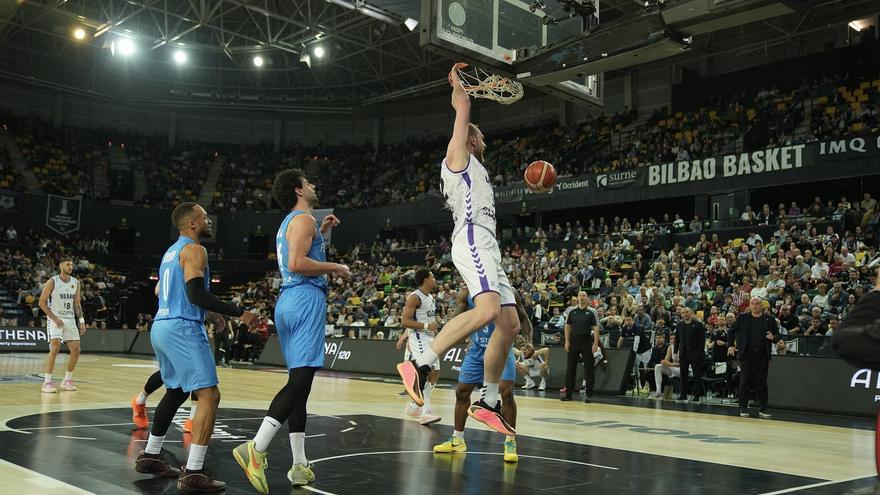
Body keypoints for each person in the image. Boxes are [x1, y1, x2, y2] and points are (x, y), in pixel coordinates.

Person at [397, 63, 520, 436]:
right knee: (486, 310)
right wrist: (461, 88)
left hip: (488, 246)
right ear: (469, 139)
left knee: (509, 324)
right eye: (479, 138)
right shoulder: (457, 159)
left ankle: (489, 399)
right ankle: (419, 365)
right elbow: (462, 110)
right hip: (471, 237)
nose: (484, 143)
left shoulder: (478, 169)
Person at [233, 169, 350, 492]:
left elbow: (299, 252)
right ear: (299, 190)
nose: (314, 184)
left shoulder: (295, 222)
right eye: (308, 182)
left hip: (289, 299)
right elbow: (298, 262)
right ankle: (255, 449)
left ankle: (299, 465)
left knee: (300, 386)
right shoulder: (303, 221)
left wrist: (322, 231)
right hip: (305, 298)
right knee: (299, 382)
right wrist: (336, 267)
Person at [136, 202, 258, 492]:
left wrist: (211, 313)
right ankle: (194, 472)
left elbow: (180, 293)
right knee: (209, 395)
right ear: (192, 223)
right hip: (182, 328)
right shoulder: (195, 249)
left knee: (176, 390)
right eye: (205, 217)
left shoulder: (170, 252)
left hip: (162, 325)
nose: (209, 221)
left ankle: (151, 455)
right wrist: (239, 312)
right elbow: (195, 292)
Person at [433, 288, 532, 463]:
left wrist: (529, 341)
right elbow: (455, 320)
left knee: (507, 392)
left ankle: (510, 442)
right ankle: (457, 439)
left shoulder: (507, 291)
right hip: (476, 350)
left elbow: (523, 318)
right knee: (462, 392)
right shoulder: (466, 293)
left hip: (501, 349)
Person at [396, 269, 442, 425]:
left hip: (430, 338)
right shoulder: (415, 297)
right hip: (419, 337)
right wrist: (428, 325)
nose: (435, 279)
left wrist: (434, 325)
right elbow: (405, 321)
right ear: (425, 280)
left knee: (436, 373)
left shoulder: (431, 297)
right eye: (433, 277)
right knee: (425, 371)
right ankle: (426, 411)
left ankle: (415, 405)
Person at [39, 257, 85, 393]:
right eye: (68, 264)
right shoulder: (52, 281)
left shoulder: (76, 282)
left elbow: (77, 304)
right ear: (60, 266)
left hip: (70, 319)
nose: (71, 266)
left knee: (76, 350)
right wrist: (54, 318)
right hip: (55, 318)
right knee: (55, 348)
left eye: (72, 264)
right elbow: (42, 303)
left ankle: (67, 380)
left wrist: (81, 320)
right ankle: (47, 382)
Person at [728, 296, 779, 418]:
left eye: (757, 303)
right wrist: (730, 345)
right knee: (745, 381)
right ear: (749, 305)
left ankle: (763, 408)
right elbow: (731, 331)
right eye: (753, 303)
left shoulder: (769, 319)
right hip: (746, 355)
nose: (755, 305)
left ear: (761, 305)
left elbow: (777, 334)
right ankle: (743, 407)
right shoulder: (743, 317)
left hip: (762, 355)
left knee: (762, 382)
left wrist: (774, 338)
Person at [561, 291, 600, 402]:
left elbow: (596, 328)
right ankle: (568, 394)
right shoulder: (572, 311)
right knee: (570, 368)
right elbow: (567, 327)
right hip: (574, 341)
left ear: (587, 298)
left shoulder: (592, 312)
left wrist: (595, 343)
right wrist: (567, 342)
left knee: (589, 368)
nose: (582, 297)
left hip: (586, 341)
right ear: (577, 298)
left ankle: (588, 394)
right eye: (580, 295)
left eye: (584, 296)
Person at [675, 307, 706, 403]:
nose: (685, 314)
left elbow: (702, 341)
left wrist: (699, 353)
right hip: (683, 353)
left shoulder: (698, 325)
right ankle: (683, 395)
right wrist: (675, 352)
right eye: (683, 312)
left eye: (687, 312)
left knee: (697, 375)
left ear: (691, 313)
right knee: (683, 375)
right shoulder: (679, 325)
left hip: (695, 353)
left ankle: (696, 396)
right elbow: (677, 340)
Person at [650, 334, 680, 399]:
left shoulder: (683, 347)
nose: (673, 340)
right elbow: (666, 360)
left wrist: (670, 364)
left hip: (683, 370)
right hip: (674, 369)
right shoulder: (670, 347)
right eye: (671, 339)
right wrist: (663, 362)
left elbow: (684, 365)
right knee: (658, 366)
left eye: (674, 338)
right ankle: (658, 391)